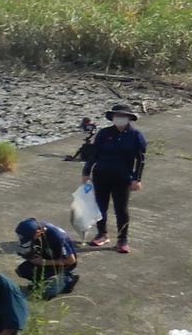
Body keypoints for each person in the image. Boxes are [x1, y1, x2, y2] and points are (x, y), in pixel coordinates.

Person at [84, 103, 148, 253]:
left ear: (129, 118)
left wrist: (136, 179)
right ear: (112, 117)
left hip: (122, 177)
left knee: (121, 209)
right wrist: (85, 173)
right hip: (101, 175)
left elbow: (141, 159)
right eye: (117, 116)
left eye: (123, 116)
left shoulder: (136, 136)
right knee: (100, 207)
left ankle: (122, 239)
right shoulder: (104, 134)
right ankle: (102, 234)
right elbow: (94, 154)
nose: (119, 118)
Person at [15, 217, 81, 299]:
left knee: (45, 294)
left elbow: (71, 260)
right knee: (23, 270)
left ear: (38, 233)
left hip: (63, 265)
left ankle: (68, 280)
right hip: (48, 259)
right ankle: (42, 282)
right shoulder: (38, 229)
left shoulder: (58, 237)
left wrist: (44, 262)